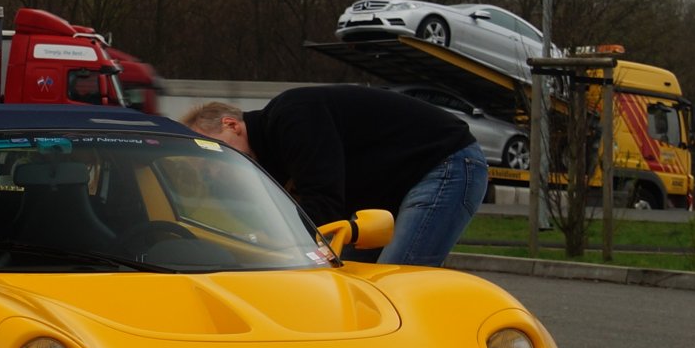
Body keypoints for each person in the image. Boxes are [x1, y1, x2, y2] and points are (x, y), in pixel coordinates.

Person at [180, 86, 488, 267]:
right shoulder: (271, 158)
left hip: (446, 163)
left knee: (395, 283)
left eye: (215, 150)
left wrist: (273, 241)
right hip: (401, 184)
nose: (216, 165)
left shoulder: (292, 118)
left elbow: (324, 206)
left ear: (231, 124)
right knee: (346, 276)